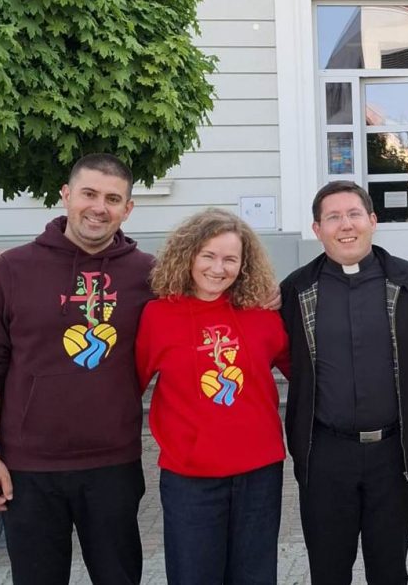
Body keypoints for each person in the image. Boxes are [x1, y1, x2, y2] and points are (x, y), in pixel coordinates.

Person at [0, 153, 152, 585]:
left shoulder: (147, 275)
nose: (99, 207)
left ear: (127, 209)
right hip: (30, 469)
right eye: (89, 194)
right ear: (66, 195)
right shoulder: (13, 269)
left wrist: (269, 296)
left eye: (112, 199)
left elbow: (207, 299)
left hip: (113, 465)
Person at [278, 180, 408, 584]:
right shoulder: (296, 290)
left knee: (389, 572)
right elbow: (289, 361)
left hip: (394, 455)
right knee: (328, 573)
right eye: (333, 217)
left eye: (353, 214)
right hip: (324, 455)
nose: (345, 225)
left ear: (372, 220)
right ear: (317, 229)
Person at [136, 208, 289, 585]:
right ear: (188, 255)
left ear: (244, 264)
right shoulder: (158, 316)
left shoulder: (262, 313)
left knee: (255, 577)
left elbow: (304, 371)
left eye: (230, 259)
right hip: (190, 479)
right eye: (208, 255)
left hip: (259, 474)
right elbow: (128, 386)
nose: (218, 268)